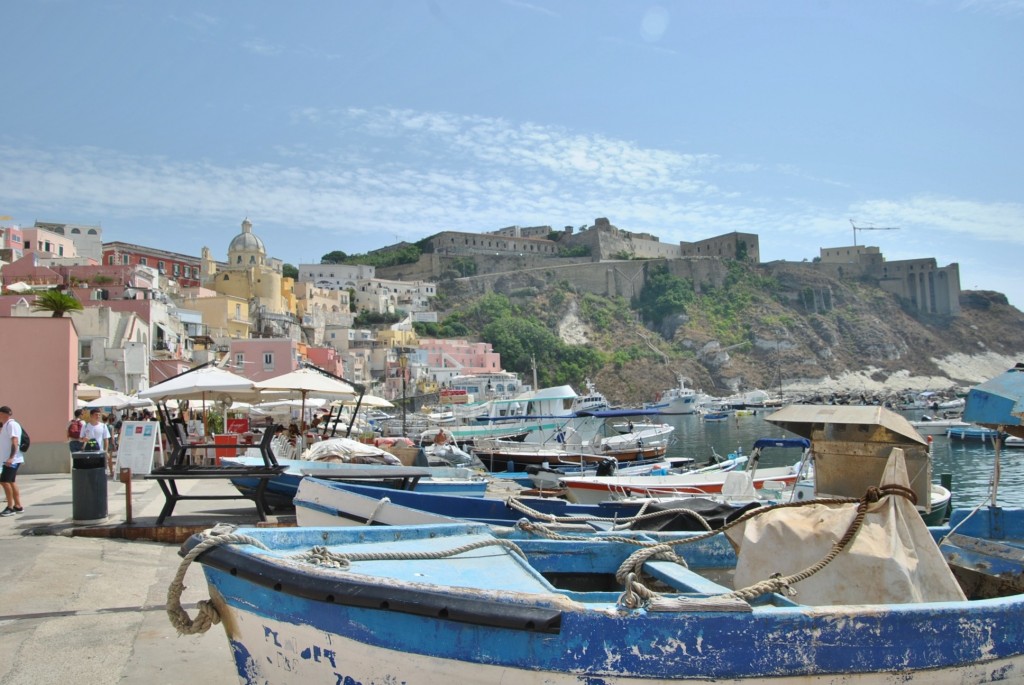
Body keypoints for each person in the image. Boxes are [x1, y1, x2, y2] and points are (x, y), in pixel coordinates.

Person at [0, 405, 25, 516]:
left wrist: (11, 458)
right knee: (10, 481)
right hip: (9, 460)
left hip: (11, 460)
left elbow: (15, 442)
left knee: (4, 481)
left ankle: (10, 507)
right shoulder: (6, 425)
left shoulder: (11, 425)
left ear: (2, 414)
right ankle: (18, 506)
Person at [81, 408, 113, 478]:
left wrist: (106, 451)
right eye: (96, 415)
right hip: (88, 452)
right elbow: (81, 438)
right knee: (90, 470)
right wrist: (84, 439)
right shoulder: (85, 426)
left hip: (100, 451)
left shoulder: (103, 426)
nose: (98, 416)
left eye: (99, 415)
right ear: (91, 415)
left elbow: (106, 439)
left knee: (100, 470)